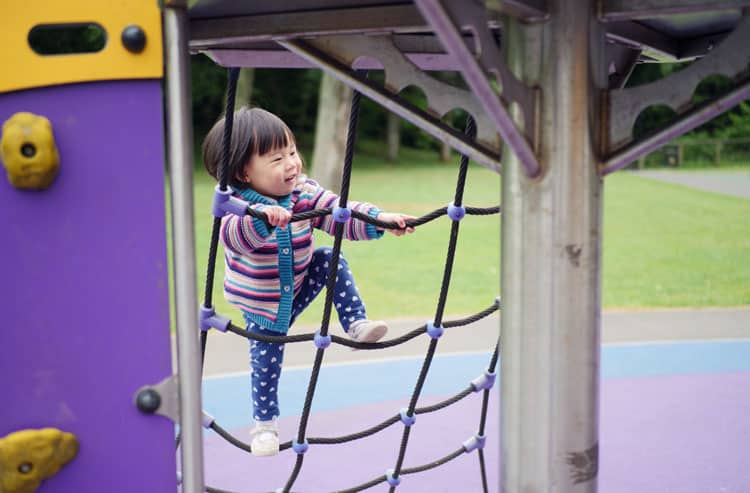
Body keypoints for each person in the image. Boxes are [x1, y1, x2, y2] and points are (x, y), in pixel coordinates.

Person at [202, 107, 414, 456]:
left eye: (292, 152)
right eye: (276, 158)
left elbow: (339, 212)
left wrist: (381, 221)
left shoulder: (303, 193)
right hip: (263, 307)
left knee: (329, 257)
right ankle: (264, 426)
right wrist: (263, 219)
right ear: (243, 171)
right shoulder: (234, 204)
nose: (291, 164)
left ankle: (356, 323)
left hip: (298, 286)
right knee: (267, 365)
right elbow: (235, 239)